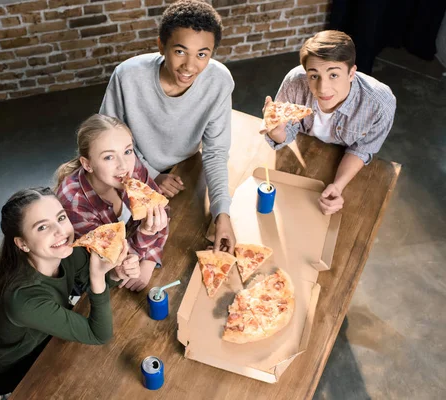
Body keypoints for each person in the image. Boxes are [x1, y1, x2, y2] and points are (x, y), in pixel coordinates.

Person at [99, 0, 236, 254]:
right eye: (180, 51)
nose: (190, 66)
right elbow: (106, 143)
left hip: (186, 170)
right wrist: (151, 174)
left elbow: (216, 152)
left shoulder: (219, 81)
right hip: (130, 169)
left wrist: (222, 213)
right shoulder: (126, 75)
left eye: (202, 54)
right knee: (122, 246)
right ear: (162, 45)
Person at [0, 187, 140, 377]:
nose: (60, 231)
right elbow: (99, 335)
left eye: (61, 218)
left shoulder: (65, 251)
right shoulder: (23, 301)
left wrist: (115, 274)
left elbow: (95, 286)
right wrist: (97, 277)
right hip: (12, 365)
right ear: (22, 244)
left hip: (41, 331)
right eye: (42, 227)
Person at [261, 30, 396, 215]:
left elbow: (361, 149)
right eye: (314, 76)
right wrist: (275, 132)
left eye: (333, 75)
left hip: (344, 160)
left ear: (351, 73)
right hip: (303, 148)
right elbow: (286, 131)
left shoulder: (381, 104)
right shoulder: (294, 81)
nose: (323, 89)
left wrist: (338, 187)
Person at [56, 114, 169, 293]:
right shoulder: (73, 203)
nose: (123, 165)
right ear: (87, 164)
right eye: (109, 157)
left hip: (135, 262)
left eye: (127, 151)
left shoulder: (131, 168)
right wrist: (146, 233)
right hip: (93, 283)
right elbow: (111, 261)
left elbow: (161, 211)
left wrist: (149, 261)